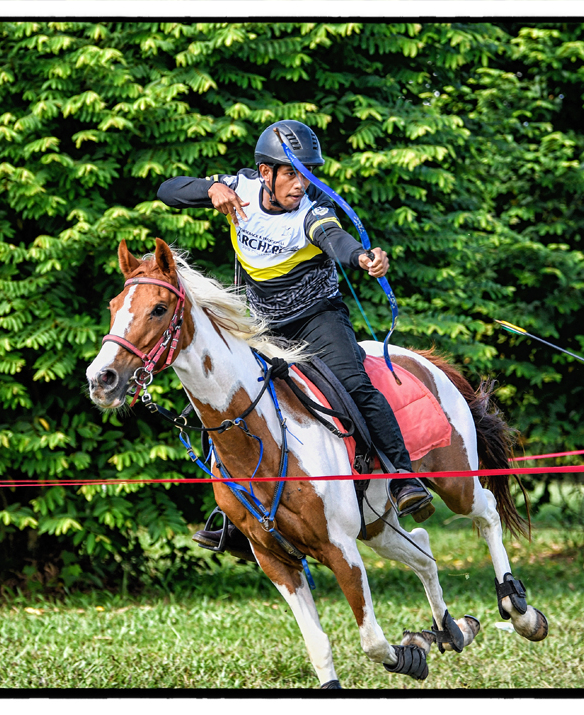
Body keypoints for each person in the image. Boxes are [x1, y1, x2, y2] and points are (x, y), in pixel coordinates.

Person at [157, 120, 435, 553]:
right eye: (291, 173)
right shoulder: (241, 187)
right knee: (227, 397)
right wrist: (211, 188)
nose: (301, 184)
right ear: (265, 173)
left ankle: (403, 479)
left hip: (317, 319)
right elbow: (167, 190)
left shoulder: (313, 210)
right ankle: (232, 513)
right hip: (263, 325)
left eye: (307, 174)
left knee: (354, 384)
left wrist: (363, 258)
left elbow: (335, 239)